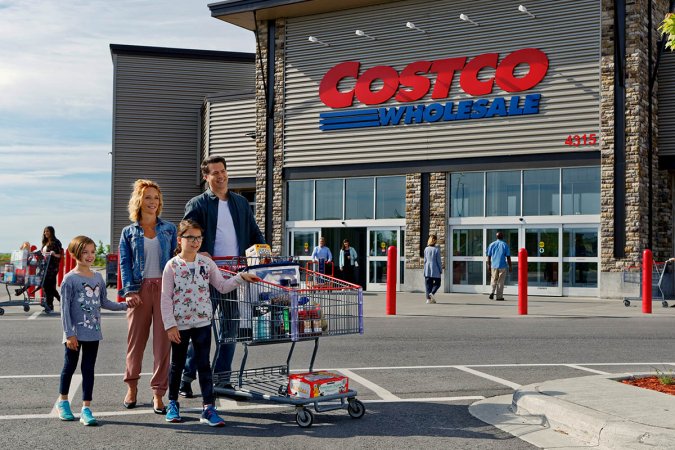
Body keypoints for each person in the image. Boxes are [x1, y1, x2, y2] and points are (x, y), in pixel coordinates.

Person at [179, 155, 264, 398]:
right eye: (214, 172)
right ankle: (186, 377)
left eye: (223, 171)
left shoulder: (240, 203)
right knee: (201, 331)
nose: (220, 176)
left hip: (234, 276)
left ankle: (222, 379)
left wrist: (264, 253)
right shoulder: (198, 204)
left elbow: (255, 233)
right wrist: (198, 249)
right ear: (206, 177)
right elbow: (185, 233)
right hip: (207, 277)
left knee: (231, 328)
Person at [161, 219, 260, 425]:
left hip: (203, 323)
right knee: (177, 365)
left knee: (204, 364)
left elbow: (222, 286)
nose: (195, 242)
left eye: (199, 238)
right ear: (180, 240)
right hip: (179, 325)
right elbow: (165, 297)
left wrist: (241, 277)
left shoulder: (207, 263)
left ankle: (208, 408)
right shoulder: (172, 266)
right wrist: (169, 324)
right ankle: (172, 403)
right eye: (190, 238)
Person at [118, 179, 177, 415]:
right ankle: (131, 387)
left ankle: (158, 393)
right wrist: (129, 292)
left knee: (163, 346)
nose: (153, 202)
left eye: (156, 198)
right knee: (135, 344)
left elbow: (176, 260)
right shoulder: (128, 232)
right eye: (148, 197)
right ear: (139, 201)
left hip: (165, 290)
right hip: (139, 290)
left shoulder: (169, 229)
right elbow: (124, 263)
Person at [56, 235, 128, 425]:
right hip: (74, 333)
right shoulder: (69, 280)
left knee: (88, 369)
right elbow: (64, 311)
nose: (89, 256)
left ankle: (86, 408)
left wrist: (125, 305)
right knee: (69, 367)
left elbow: (104, 301)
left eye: (92, 252)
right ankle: (63, 402)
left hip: (93, 332)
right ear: (74, 254)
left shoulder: (97, 277)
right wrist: (69, 333)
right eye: (85, 252)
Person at [41, 226, 63, 313]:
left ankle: (51, 305)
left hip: (52, 268)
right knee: (46, 287)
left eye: (47, 231)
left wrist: (53, 254)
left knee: (48, 286)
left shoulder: (56, 242)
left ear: (52, 232)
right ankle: (51, 304)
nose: (46, 233)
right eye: (45, 231)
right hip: (44, 268)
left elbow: (60, 255)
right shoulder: (45, 242)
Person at [486, 232, 512, 301]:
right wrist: (510, 266)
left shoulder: (492, 244)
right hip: (502, 265)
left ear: (496, 237)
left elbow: (488, 256)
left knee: (493, 279)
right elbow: (508, 257)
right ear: (502, 237)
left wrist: (489, 265)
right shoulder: (504, 245)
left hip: (494, 266)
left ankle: (492, 292)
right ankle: (499, 297)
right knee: (500, 281)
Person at [423, 234, 442, 304]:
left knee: (428, 285)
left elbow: (425, 260)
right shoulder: (436, 250)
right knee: (438, 283)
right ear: (435, 241)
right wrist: (440, 270)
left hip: (427, 269)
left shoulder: (426, 249)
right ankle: (432, 293)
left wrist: (424, 270)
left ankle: (428, 299)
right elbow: (438, 261)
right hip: (435, 269)